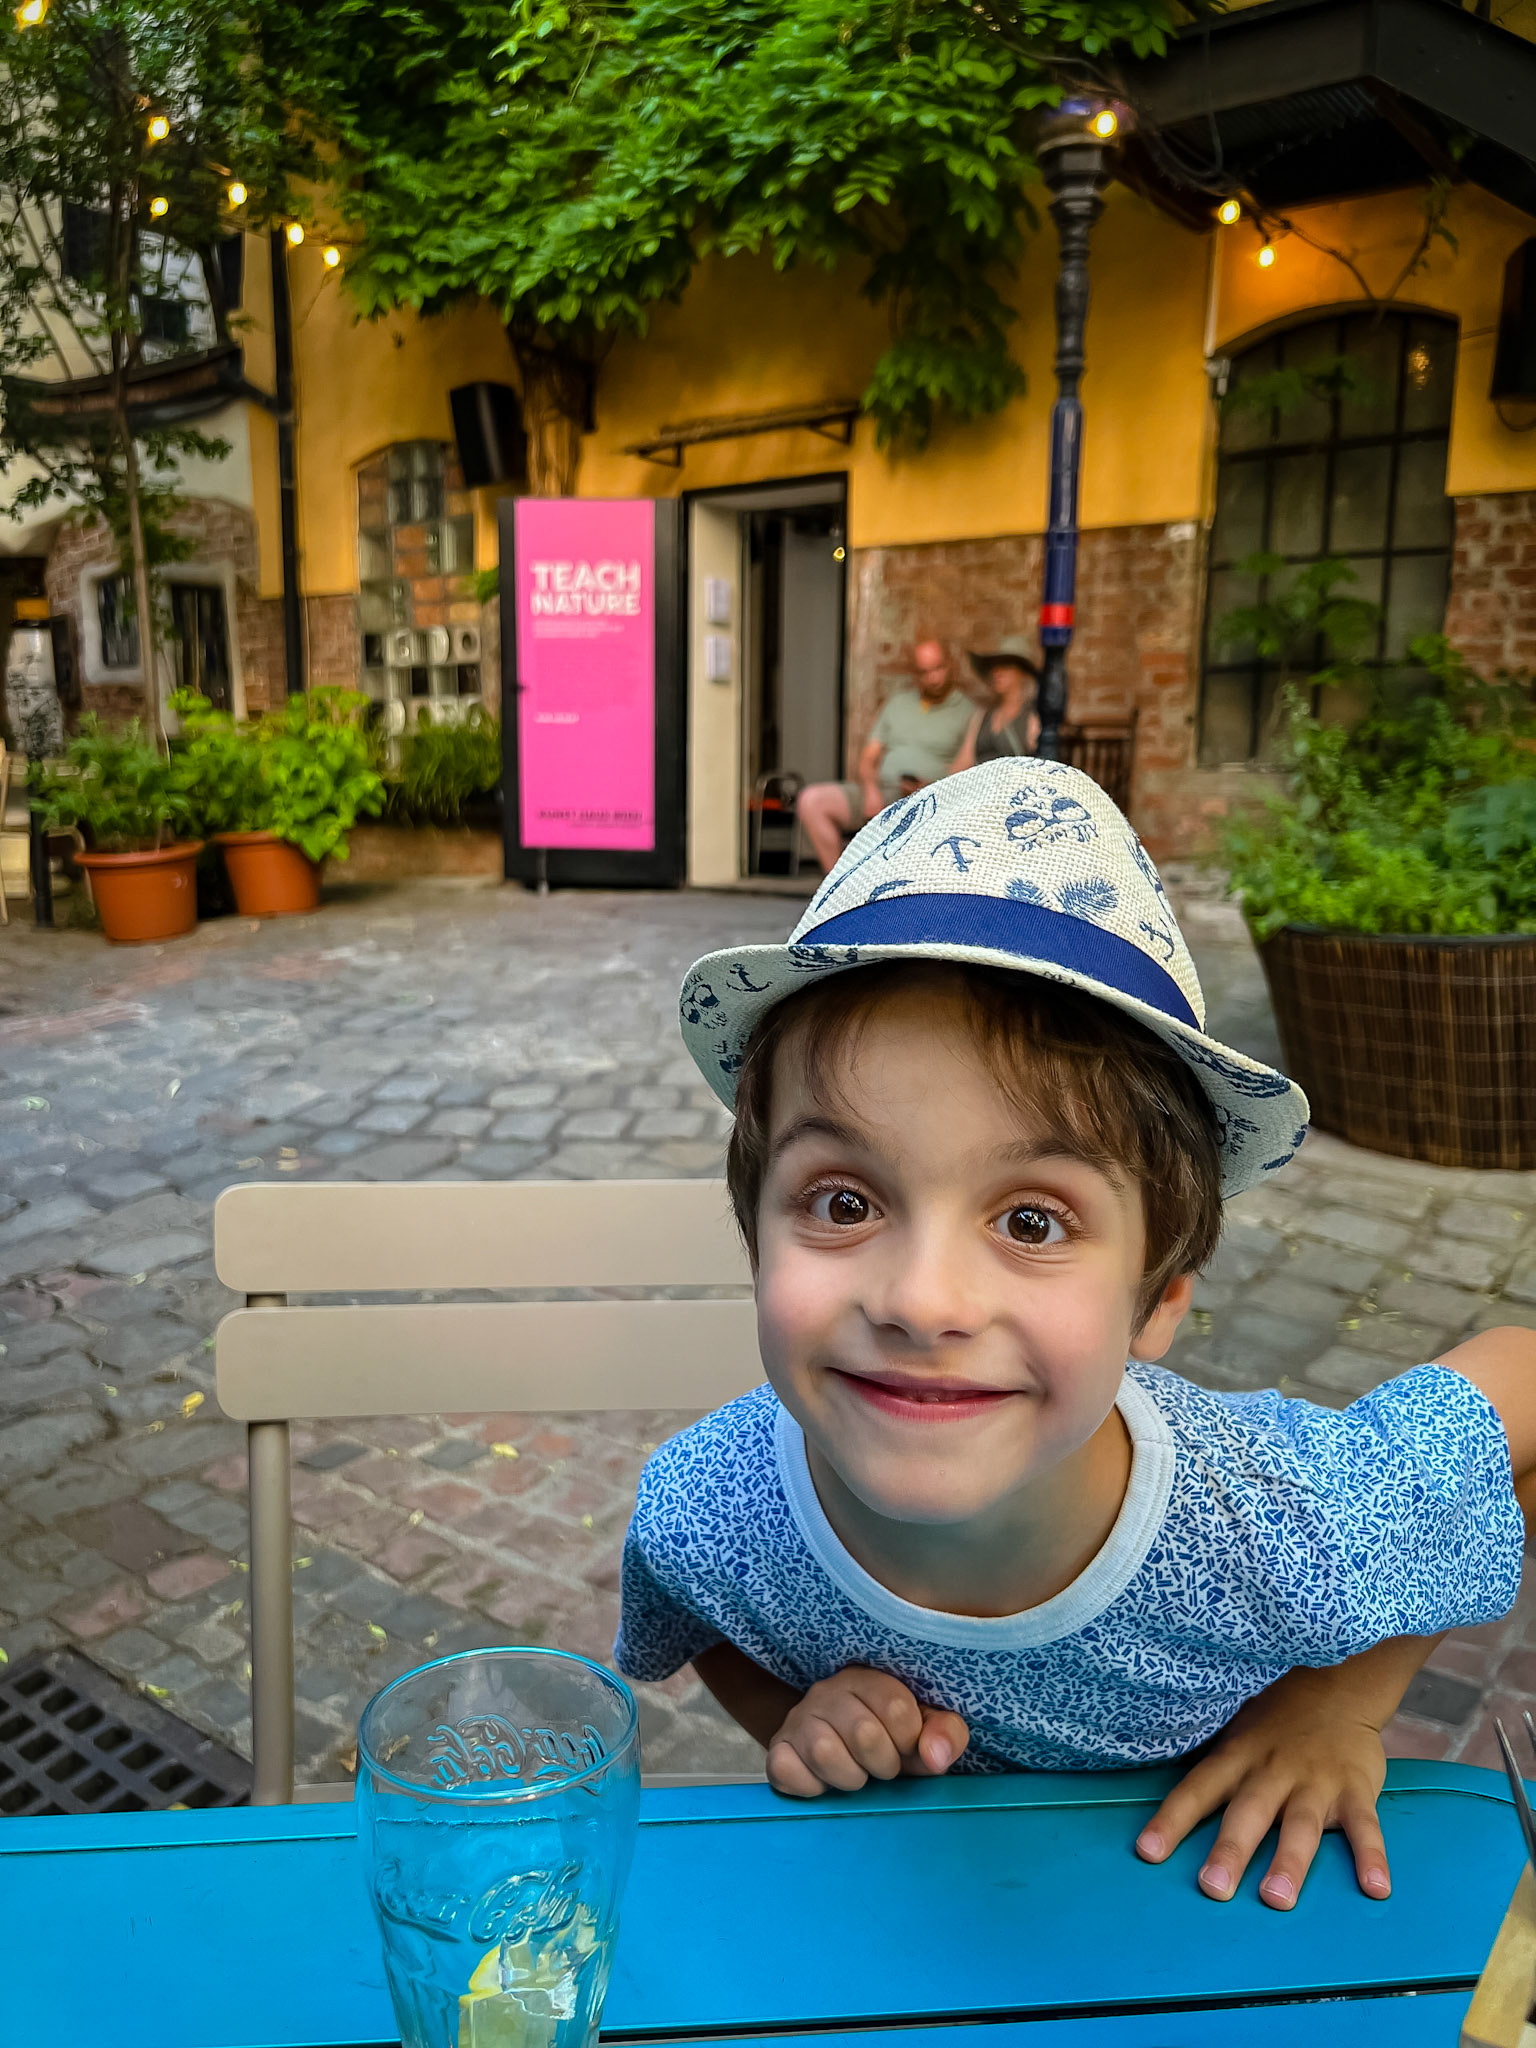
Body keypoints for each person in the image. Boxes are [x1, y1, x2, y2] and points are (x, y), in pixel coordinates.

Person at [621, 759, 1536, 1913]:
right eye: (844, 1200)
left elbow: (1526, 1389)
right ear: (760, 1238)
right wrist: (798, 1712)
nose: (922, 1299)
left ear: (1158, 1297)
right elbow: (694, 1601)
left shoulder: (1275, 1525)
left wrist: (1337, 1704)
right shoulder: (711, 1505)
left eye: (1032, 1219)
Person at [795, 639, 974, 873]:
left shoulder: (969, 710)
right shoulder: (897, 704)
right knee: (811, 801)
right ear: (914, 674)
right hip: (883, 791)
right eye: (924, 672)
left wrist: (930, 787)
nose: (933, 678)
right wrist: (870, 789)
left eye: (938, 668)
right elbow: (868, 758)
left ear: (951, 665)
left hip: (931, 799)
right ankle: (841, 887)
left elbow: (967, 768)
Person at [951, 632, 1041, 770]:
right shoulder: (983, 715)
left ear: (1021, 672)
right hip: (980, 786)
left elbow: (1039, 764)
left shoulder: (1032, 716)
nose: (997, 672)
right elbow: (964, 761)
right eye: (994, 666)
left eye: (1005, 666)